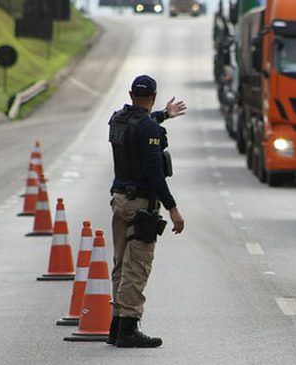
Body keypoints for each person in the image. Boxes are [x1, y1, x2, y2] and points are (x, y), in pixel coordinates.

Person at [106, 75, 186, 348]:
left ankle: (115, 324)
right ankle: (128, 328)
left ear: (131, 95)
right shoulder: (148, 127)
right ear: (152, 96)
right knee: (137, 265)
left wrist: (163, 115)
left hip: (119, 200)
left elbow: (137, 127)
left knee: (121, 263)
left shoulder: (117, 120)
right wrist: (173, 208)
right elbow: (154, 173)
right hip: (140, 204)